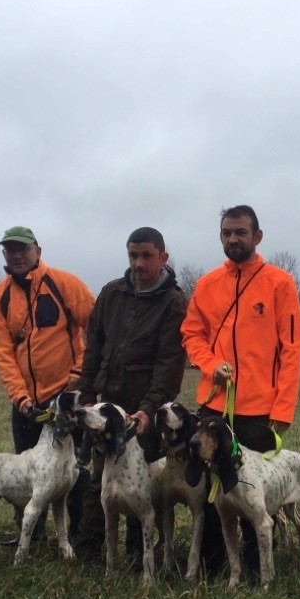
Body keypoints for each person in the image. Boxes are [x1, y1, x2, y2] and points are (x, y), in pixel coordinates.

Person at [181, 205, 300, 577]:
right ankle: (214, 562)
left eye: (240, 232)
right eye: (226, 233)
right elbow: (191, 335)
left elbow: (291, 349)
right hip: (212, 408)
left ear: (257, 236)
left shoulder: (280, 283)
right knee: (211, 489)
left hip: (259, 412)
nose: (233, 239)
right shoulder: (207, 284)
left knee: (253, 491)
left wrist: (282, 410)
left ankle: (256, 565)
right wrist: (210, 364)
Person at [74, 227, 188, 563]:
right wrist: (86, 393)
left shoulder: (173, 303)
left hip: (143, 410)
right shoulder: (112, 293)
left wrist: (149, 410)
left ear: (162, 257)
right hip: (107, 406)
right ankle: (90, 552)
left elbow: (169, 365)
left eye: (146, 256)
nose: (138, 263)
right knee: (100, 477)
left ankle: (139, 555)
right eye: (132, 255)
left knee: (141, 483)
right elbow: (93, 348)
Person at [0, 226, 95, 544]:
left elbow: (98, 329)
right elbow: (2, 354)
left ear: (38, 251)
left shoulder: (65, 284)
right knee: (29, 468)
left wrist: (80, 373)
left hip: (67, 399)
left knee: (74, 469)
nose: (17, 255)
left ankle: (81, 538)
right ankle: (32, 536)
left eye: (23, 249)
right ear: (4, 254)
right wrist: (20, 398)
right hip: (28, 405)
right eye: (10, 250)